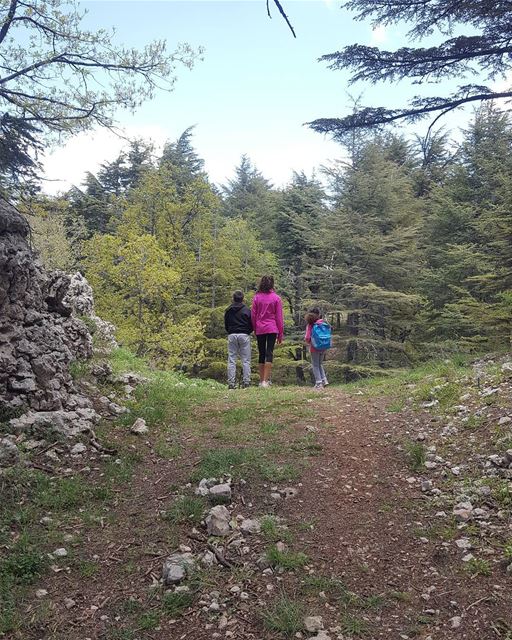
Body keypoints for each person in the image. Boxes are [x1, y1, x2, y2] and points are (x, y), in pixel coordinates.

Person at [251, 275, 284, 388]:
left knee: (261, 353)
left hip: (260, 327)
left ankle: (261, 380)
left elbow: (253, 315)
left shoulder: (257, 297)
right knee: (269, 352)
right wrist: (280, 333)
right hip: (272, 328)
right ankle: (265, 381)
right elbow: (279, 317)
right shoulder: (276, 298)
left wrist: (255, 329)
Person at [224, 290, 253, 389]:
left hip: (232, 334)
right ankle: (246, 382)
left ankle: (231, 383)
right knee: (246, 360)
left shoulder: (228, 310)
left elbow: (226, 324)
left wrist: (230, 331)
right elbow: (251, 324)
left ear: (233, 298)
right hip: (244, 335)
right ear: (243, 298)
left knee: (232, 359)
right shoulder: (247, 310)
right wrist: (247, 331)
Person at [304, 307, 330, 390]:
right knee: (320, 364)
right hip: (324, 347)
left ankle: (319, 383)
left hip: (314, 347)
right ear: (319, 315)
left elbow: (307, 338)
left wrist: (309, 343)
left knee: (315, 365)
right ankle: (324, 380)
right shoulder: (323, 323)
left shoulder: (311, 324)